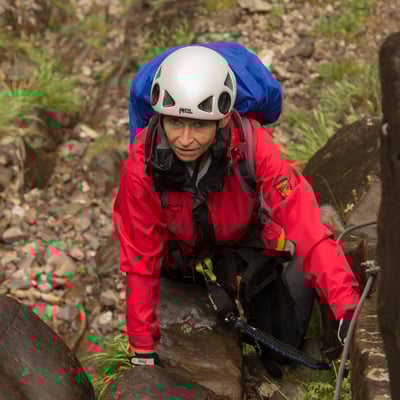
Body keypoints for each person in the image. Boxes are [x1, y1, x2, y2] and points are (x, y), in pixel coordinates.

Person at [112, 45, 360, 377]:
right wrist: (143, 349)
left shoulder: (253, 148)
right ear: (160, 116)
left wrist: (346, 307)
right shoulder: (143, 165)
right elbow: (140, 257)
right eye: (175, 122)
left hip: (241, 241)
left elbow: (303, 221)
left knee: (281, 346)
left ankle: (293, 263)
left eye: (199, 125)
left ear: (224, 119)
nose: (184, 139)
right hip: (179, 256)